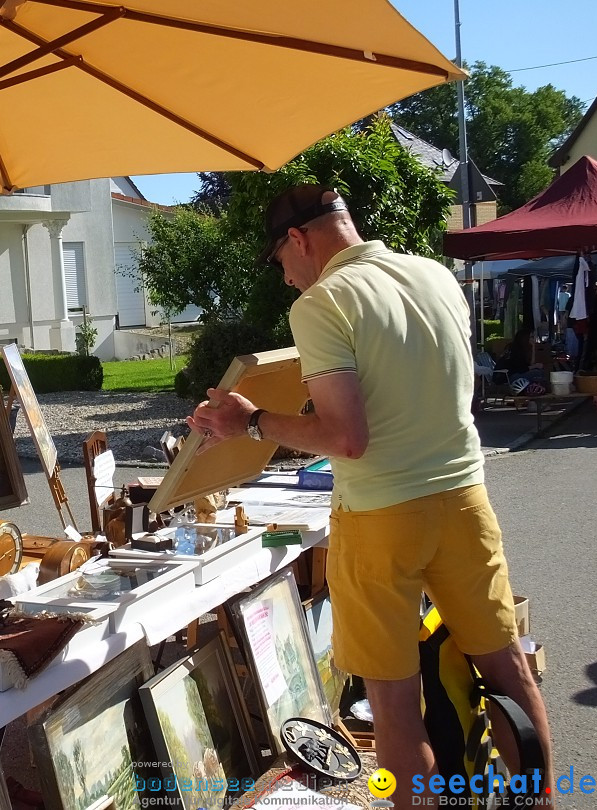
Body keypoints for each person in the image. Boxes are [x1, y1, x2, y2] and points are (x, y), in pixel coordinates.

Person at [187, 185, 553, 794]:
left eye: (280, 261)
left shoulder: (323, 302)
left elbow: (346, 437)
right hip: (464, 495)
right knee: (510, 672)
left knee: (394, 706)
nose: (285, 279)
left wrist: (249, 421)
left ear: (298, 240)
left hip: (382, 514)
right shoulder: (433, 275)